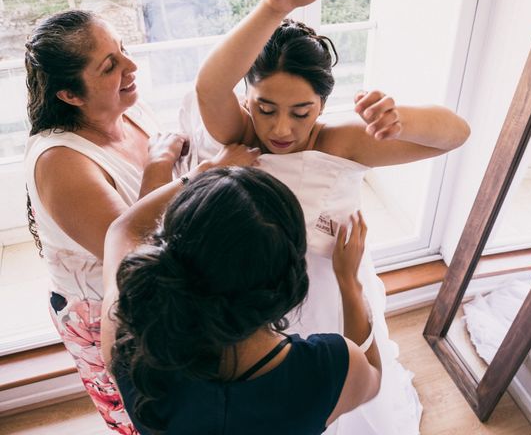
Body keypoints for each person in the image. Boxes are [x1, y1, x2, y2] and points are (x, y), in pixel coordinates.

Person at [186, 0, 471, 433]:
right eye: (266, 108)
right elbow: (209, 84)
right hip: (251, 299)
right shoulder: (238, 134)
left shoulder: (338, 141)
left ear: (322, 104)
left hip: (330, 291)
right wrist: (273, 7)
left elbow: (456, 133)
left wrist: (404, 118)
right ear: (247, 98)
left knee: (347, 395)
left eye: (300, 112)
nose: (280, 128)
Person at [23, 9, 259, 433]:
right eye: (110, 65)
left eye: (123, 50)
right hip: (110, 313)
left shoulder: (127, 106)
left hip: (164, 293)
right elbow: (135, 252)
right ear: (70, 95)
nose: (131, 67)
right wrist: (171, 169)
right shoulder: (62, 163)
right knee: (147, 419)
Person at [100, 166, 382, 434]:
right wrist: (349, 282)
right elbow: (372, 376)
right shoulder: (327, 368)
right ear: (288, 276)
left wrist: (199, 174)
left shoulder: (130, 343)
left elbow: (120, 230)